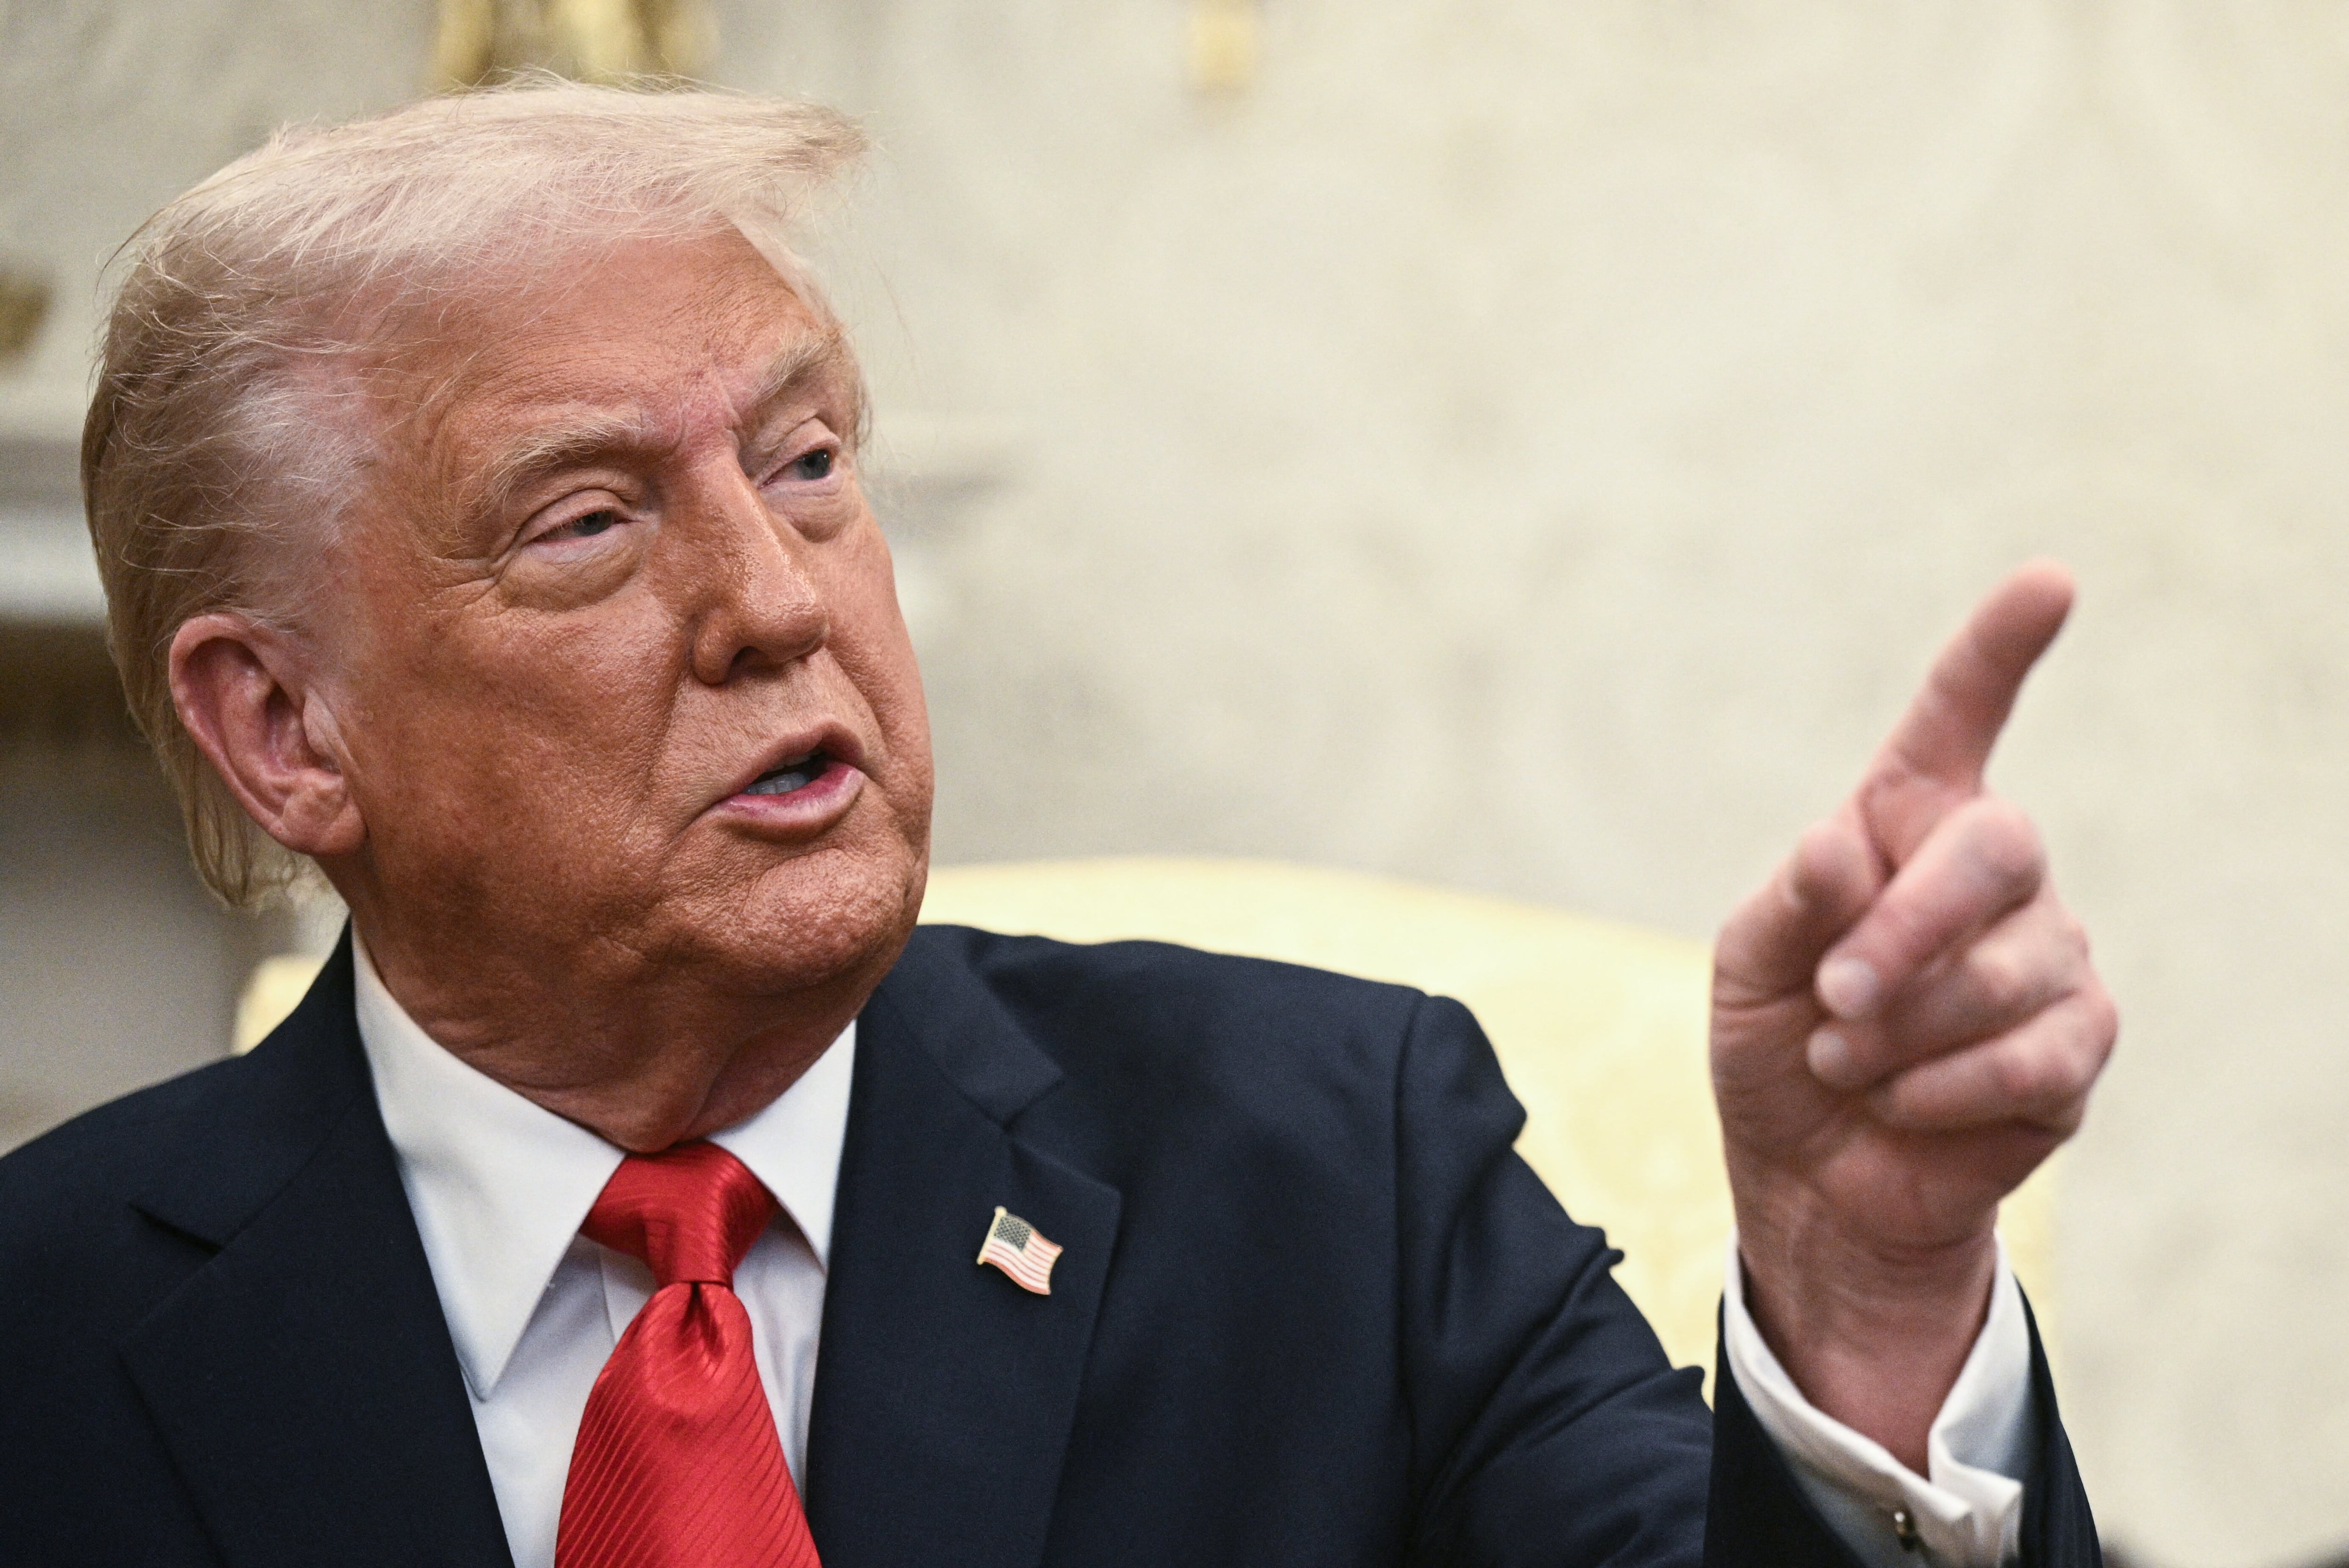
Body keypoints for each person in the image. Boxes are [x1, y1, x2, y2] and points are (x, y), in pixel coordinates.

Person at [0, 84, 2115, 1568]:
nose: (774, 596)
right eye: (586, 521)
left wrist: (1862, 1306)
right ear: (284, 726)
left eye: (806, 457)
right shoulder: (47, 1336)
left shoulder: (1334, 1171)